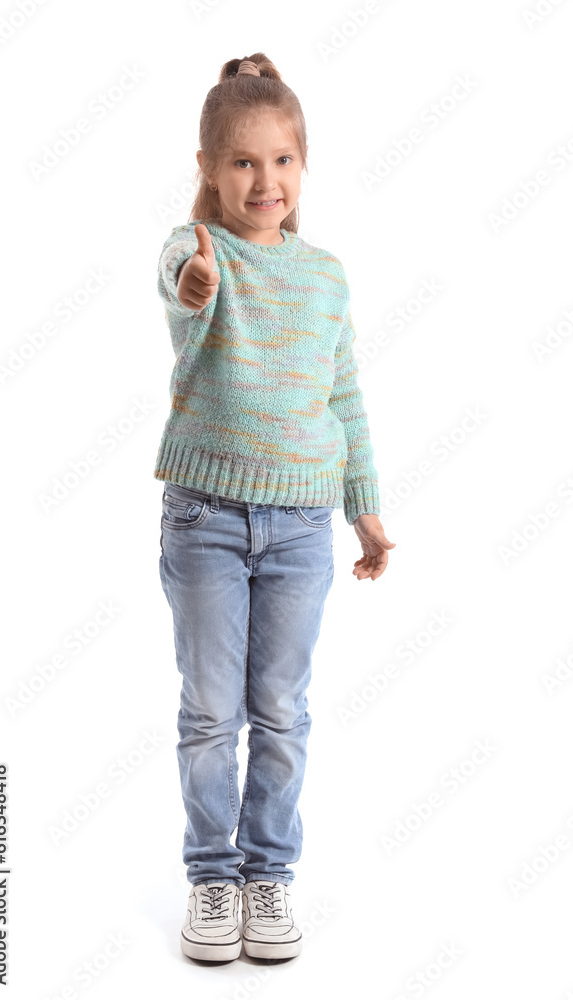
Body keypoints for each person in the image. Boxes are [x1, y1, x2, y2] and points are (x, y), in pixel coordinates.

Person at [155, 52, 395, 963]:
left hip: (300, 528)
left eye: (283, 160)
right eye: (244, 163)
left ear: (303, 167)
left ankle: (268, 875)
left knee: (283, 711)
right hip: (206, 519)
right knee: (213, 709)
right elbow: (180, 276)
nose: (266, 181)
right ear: (211, 171)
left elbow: (344, 397)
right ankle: (212, 878)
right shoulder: (196, 253)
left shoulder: (326, 275)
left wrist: (363, 508)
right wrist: (195, 286)